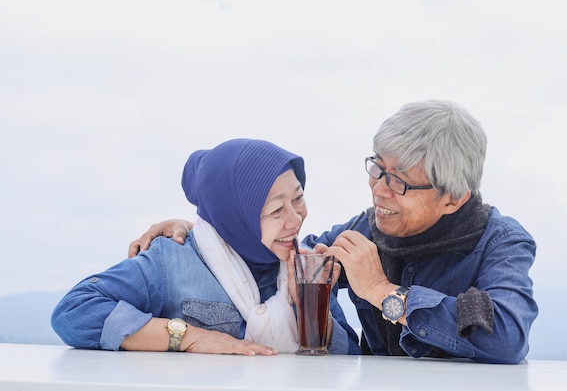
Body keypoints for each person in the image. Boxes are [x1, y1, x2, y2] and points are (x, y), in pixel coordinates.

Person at [129, 100, 538, 364]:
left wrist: (382, 291)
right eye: (377, 168)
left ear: (453, 198)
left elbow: (505, 336)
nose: (378, 190)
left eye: (399, 182)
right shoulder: (366, 228)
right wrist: (206, 229)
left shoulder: (498, 243)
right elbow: (290, 257)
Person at [52, 138, 360, 356]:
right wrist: (189, 338)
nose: (295, 219)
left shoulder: (307, 265)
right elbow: (74, 313)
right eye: (276, 210)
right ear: (233, 217)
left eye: (298, 198)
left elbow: (348, 356)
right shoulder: (172, 259)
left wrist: (310, 313)